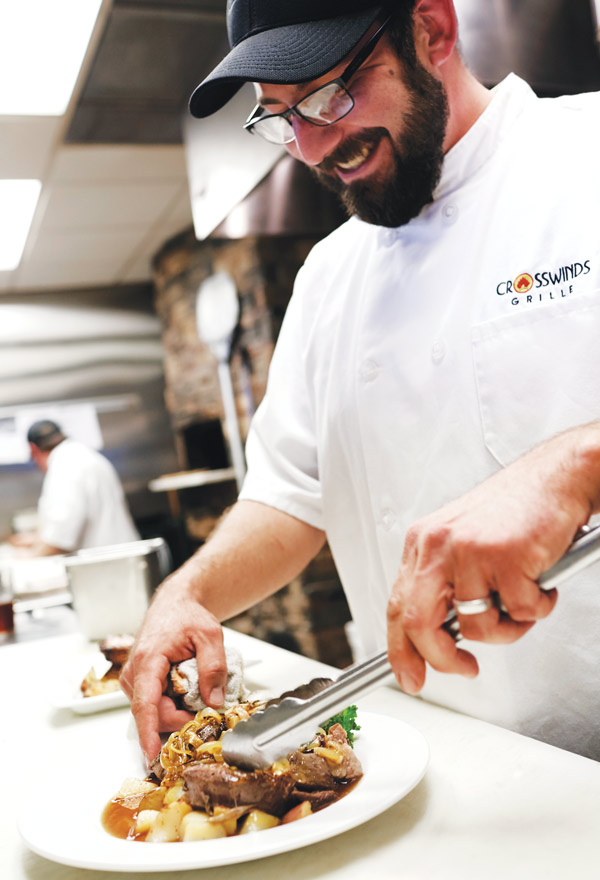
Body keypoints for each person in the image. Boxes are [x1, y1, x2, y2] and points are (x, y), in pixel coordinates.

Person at [121, 0, 600, 763]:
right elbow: (288, 495)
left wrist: (578, 461)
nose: (310, 147)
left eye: (327, 96)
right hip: (424, 761)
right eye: (279, 117)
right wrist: (189, 592)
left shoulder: (587, 153)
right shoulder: (328, 275)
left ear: (432, 31)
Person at [18, 419, 140, 555]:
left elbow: (59, 539)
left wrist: (26, 560)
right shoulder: (85, 455)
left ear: (33, 449)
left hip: (105, 562)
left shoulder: (64, 466)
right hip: (121, 553)